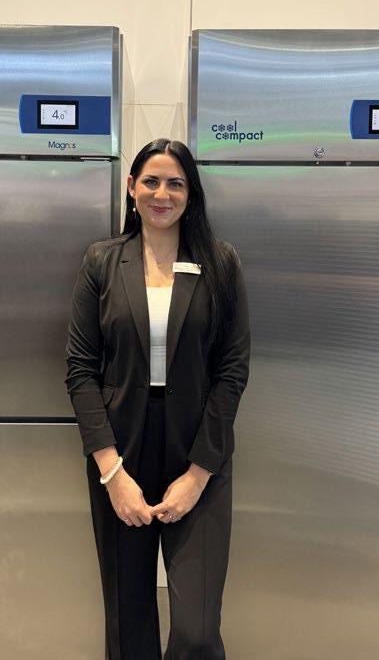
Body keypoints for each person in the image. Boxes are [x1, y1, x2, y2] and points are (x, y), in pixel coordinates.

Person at [65, 138, 250, 660]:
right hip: (120, 451)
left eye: (175, 183)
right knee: (128, 623)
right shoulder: (102, 262)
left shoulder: (220, 262)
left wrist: (198, 475)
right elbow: (80, 370)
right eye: (151, 181)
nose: (161, 194)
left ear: (191, 193)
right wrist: (112, 474)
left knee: (196, 630)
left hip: (198, 449)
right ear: (131, 187)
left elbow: (232, 372)